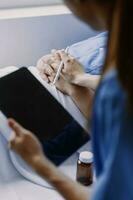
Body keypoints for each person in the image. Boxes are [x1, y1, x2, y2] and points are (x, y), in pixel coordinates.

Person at [2, 0, 133, 199]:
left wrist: (78, 82)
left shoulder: (114, 90)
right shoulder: (114, 34)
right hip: (27, 87)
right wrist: (46, 62)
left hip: (60, 116)